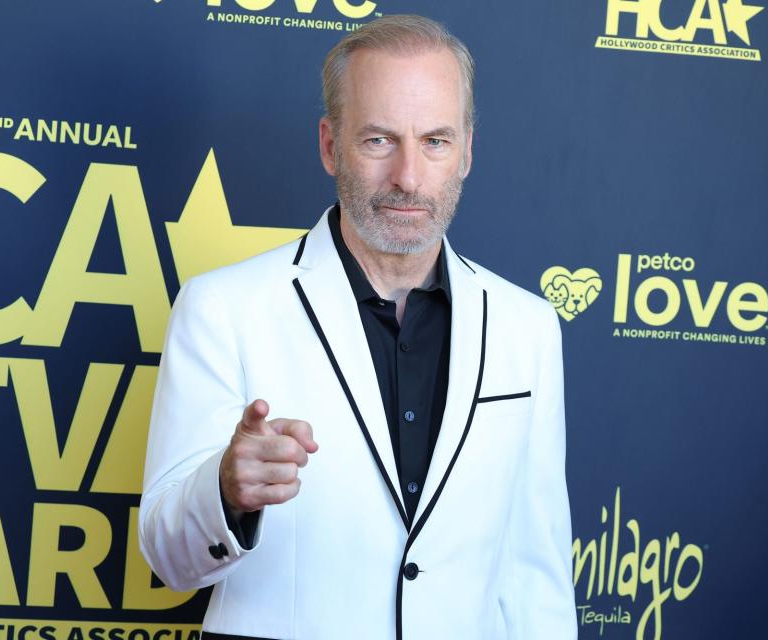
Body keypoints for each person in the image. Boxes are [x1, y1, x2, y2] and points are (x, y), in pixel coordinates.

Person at [139, 14, 576, 640]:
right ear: (329, 144)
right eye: (378, 140)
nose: (407, 176)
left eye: (435, 141)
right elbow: (167, 555)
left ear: (467, 152)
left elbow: (538, 576)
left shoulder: (526, 327)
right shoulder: (222, 309)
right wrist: (226, 492)